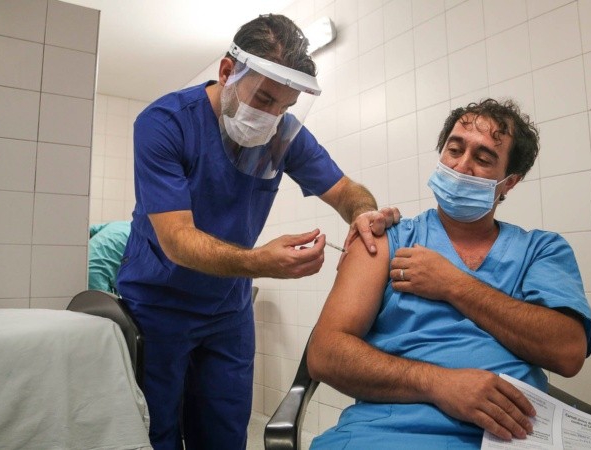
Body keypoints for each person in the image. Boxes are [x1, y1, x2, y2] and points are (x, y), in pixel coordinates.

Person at [116, 14, 399, 450]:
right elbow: (177, 240)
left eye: (284, 107)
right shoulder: (164, 124)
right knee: (156, 431)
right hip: (158, 306)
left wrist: (363, 213)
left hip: (227, 310)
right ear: (227, 71)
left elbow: (346, 191)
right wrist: (260, 262)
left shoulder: (281, 135)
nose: (270, 117)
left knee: (226, 432)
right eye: (264, 98)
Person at [307, 99, 591, 449]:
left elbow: (567, 352)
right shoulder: (385, 238)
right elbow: (325, 353)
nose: (461, 166)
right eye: (454, 150)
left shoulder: (540, 250)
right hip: (386, 433)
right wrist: (438, 383)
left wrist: (453, 284)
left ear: (510, 182)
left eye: (483, 159)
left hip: (509, 435)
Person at [87, 221, 131, 294]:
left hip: (81, 262)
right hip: (98, 276)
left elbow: (86, 232)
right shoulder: (143, 240)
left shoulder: (119, 224)